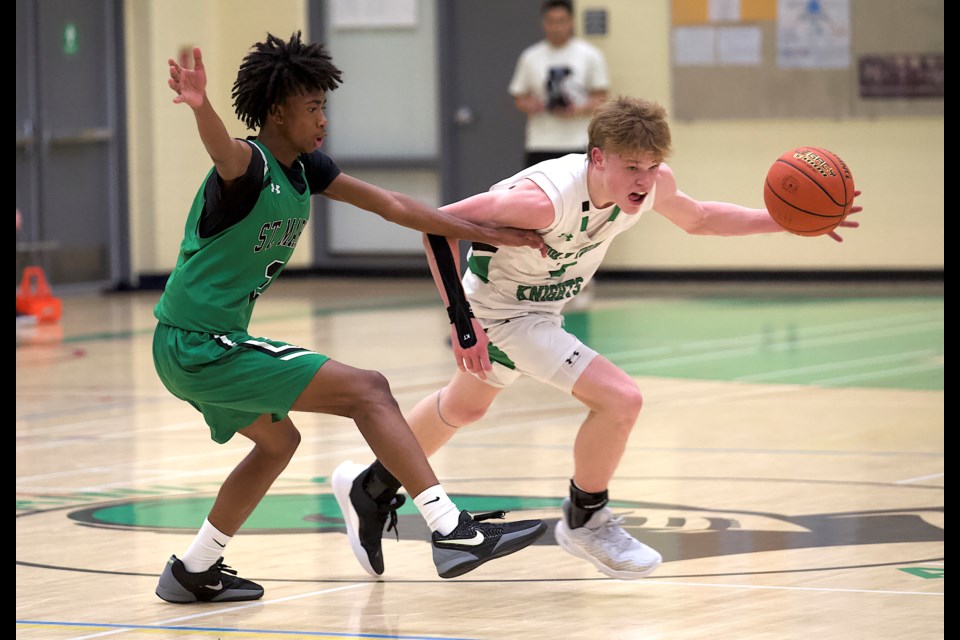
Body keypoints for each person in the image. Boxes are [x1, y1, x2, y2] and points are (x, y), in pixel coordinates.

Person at [333, 96, 862, 580]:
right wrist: (462, 322)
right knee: (621, 399)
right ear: (597, 158)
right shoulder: (542, 201)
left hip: (540, 307)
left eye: (652, 167)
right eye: (632, 167)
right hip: (501, 313)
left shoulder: (651, 184)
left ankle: (371, 487)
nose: (644, 180)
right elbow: (435, 224)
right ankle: (586, 518)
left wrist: (786, 221)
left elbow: (699, 219)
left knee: (463, 408)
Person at [152, 32, 549, 604]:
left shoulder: (307, 170)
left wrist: (487, 232)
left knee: (277, 444)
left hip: (198, 345)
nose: (323, 119)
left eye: (324, 106)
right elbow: (223, 152)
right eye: (312, 107)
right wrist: (200, 106)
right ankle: (451, 530)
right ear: (277, 111)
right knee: (369, 389)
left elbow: (395, 206)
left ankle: (194, 568)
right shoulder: (249, 165)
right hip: (199, 344)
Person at [509, 0, 610, 168]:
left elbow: (601, 96)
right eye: (551, 21)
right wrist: (533, 105)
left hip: (578, 141)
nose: (556, 27)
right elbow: (519, 95)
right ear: (544, 23)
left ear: (571, 22)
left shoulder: (590, 55)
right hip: (541, 142)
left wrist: (579, 109)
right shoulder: (530, 56)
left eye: (562, 21)